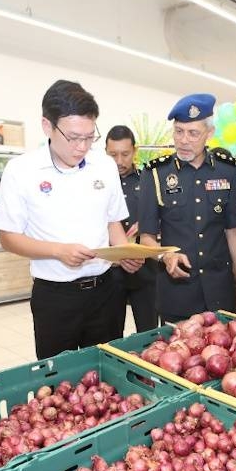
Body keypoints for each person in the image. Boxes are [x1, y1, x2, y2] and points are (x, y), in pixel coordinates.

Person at [0, 80, 143, 359]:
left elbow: (113, 222)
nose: (82, 146)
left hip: (105, 292)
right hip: (55, 297)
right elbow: (9, 237)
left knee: (106, 373)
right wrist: (58, 251)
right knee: (58, 380)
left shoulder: (105, 165)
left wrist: (125, 253)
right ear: (47, 126)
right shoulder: (21, 171)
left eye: (89, 137)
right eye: (74, 137)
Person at [137, 94, 236, 323]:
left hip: (220, 292)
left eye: (193, 133)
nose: (184, 140)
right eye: (179, 131)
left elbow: (234, 232)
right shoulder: (156, 174)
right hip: (177, 293)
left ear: (210, 133)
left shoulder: (227, 172)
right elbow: (145, 237)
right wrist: (166, 255)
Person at [105, 125, 159, 332]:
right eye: (113, 155)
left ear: (134, 151)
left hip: (144, 270)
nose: (119, 161)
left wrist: (150, 226)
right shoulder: (98, 184)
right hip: (111, 273)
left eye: (125, 154)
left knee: (149, 332)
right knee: (111, 333)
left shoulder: (150, 180)